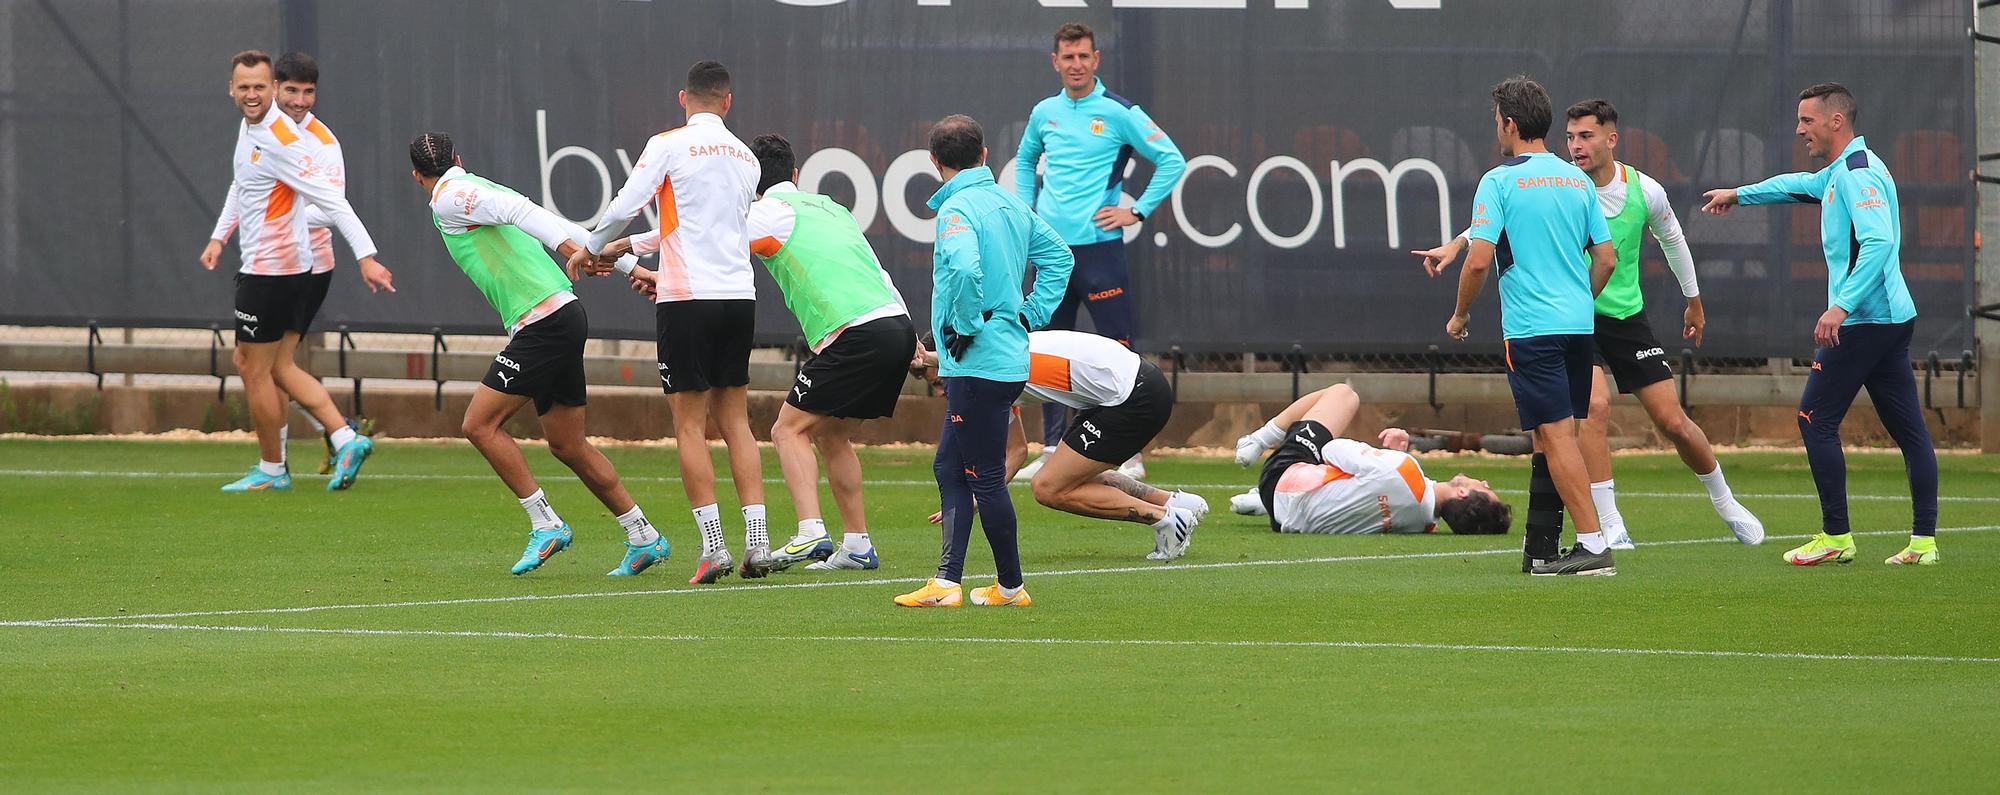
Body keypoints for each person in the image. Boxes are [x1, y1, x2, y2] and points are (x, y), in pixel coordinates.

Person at [1413, 98, 1763, 549]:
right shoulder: (1564, 181)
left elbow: (1672, 241)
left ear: (1611, 139)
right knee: (1593, 410)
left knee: (1672, 420)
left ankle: (1726, 502)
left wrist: (1693, 301)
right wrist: (1458, 244)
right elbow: (1503, 216)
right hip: (1576, 316)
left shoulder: (1643, 190)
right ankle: (1609, 523)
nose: (1576, 146)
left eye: (1586, 136)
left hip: (1625, 316)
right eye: (1571, 137)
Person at [1701, 82, 1939, 566]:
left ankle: (1836, 536)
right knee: (1910, 432)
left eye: (1807, 120)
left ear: (1836, 121)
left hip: (1866, 321)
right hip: (1888, 319)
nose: (1798, 129)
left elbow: (1879, 244)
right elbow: (1794, 185)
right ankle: (1923, 543)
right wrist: (1738, 195)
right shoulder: (1839, 172)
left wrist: (1841, 307)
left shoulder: (1857, 174)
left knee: (1815, 419)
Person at [409, 133, 669, 577]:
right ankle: (643, 535)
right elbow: (560, 223)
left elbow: (533, 219)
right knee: (568, 443)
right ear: (459, 157)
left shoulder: (451, 197)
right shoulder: (481, 188)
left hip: (545, 322)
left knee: (479, 424)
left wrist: (575, 254)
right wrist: (636, 267)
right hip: (562, 315)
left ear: (417, 176)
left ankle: (546, 523)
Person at [575, 61, 767, 584]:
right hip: (738, 296)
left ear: (683, 98)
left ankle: (714, 548)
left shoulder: (668, 143)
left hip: (686, 298)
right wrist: (631, 248)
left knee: (688, 425)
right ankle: (759, 542)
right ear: (728, 102)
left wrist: (591, 249)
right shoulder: (747, 158)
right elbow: (708, 228)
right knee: (737, 422)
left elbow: (626, 205)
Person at [1441, 76, 1617, 576]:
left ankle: (1592, 545)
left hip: (1532, 329)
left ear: (1510, 124)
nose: (1496, 130)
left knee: (1557, 435)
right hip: (1577, 327)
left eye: (1497, 121)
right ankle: (1542, 546)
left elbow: (1478, 262)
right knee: (1548, 434)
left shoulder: (1498, 181)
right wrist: (1579, 301)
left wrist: (1460, 315)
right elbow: (1605, 258)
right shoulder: (1577, 180)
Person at [896, 115, 1074, 608]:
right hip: (1000, 359)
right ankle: (948, 582)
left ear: (934, 163)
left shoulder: (956, 211)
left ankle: (1010, 588)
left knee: (985, 477)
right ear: (985, 155)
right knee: (949, 467)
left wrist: (969, 325)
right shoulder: (1010, 205)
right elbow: (1060, 257)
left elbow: (966, 266)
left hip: (978, 362)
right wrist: (1030, 314)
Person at [200, 50, 388, 494]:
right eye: (244, 87)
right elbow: (243, 184)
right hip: (278, 265)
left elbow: (332, 203)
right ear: (231, 89)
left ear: (270, 89)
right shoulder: (255, 129)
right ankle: (341, 438)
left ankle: (275, 467)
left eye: (259, 88)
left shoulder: (288, 141)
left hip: (277, 268)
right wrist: (219, 236)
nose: (252, 94)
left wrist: (365, 254)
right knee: (272, 366)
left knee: (253, 365)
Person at [735, 133, 918, 574]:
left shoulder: (763, 213)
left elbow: (710, 250)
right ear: (795, 175)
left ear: (750, 182)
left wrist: (641, 265)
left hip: (855, 331)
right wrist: (911, 336)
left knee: (786, 430)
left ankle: (810, 531)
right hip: (895, 324)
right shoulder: (831, 207)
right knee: (832, 434)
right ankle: (857, 545)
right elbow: (879, 270)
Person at [1013, 21, 1185, 483]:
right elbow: (1026, 161)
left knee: (1120, 349)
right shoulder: (1043, 111)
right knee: (1043, 352)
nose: (1076, 65)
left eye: (1083, 56)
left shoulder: (1119, 111)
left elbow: (1172, 158)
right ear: (1055, 61)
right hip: (1051, 254)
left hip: (1101, 252)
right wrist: (1026, 212)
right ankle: (1052, 447)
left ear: (1097, 59)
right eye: (1067, 57)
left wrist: (1139, 211)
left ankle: (1129, 450)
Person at [914, 330, 1210, 560]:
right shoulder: (992, 372)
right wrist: (980, 499)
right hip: (1126, 390)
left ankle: (1165, 520)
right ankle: (1173, 503)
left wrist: (930, 357)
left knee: (1048, 487)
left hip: (1134, 397)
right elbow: (1016, 452)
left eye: (939, 382)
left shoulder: (991, 363)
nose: (941, 392)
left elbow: (970, 361)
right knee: (1065, 473)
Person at [1230, 385, 1512, 536]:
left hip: (1280, 480)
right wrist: (1395, 456)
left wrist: (1392, 456)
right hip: (1286, 520)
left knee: (1343, 395)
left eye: (1485, 488)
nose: (1485, 481)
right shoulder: (1424, 524)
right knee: (1355, 483)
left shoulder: (1405, 471)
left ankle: (1259, 439)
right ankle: (1262, 503)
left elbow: (1332, 449)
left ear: (1462, 493)